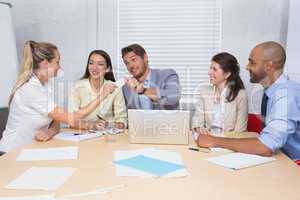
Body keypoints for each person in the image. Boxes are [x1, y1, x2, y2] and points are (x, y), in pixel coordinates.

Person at [0, 41, 115, 154]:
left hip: (31, 150)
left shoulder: (45, 85)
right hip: (11, 153)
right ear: (45, 63)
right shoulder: (30, 89)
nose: (59, 67)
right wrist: (102, 95)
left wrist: (50, 131)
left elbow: (56, 119)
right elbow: (70, 118)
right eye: (57, 62)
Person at [196, 41, 300, 161]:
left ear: (268, 66)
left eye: (252, 62)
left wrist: (215, 141)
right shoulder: (273, 91)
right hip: (281, 157)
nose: (247, 67)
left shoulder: (286, 96)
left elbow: (266, 146)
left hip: (293, 163)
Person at [192, 52, 248, 136]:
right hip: (209, 139)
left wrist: (221, 141)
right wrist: (199, 128)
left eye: (214, 69)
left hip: (230, 142)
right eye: (210, 68)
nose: (209, 72)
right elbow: (197, 120)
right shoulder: (204, 91)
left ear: (227, 74)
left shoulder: (240, 95)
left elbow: (240, 131)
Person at [68, 50, 127, 129]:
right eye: (91, 63)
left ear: (107, 69)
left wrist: (107, 125)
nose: (94, 68)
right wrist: (91, 125)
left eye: (100, 64)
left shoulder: (114, 88)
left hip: (106, 135)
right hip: (82, 135)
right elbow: (71, 120)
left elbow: (122, 122)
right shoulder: (77, 87)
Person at [121, 44, 181, 110]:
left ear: (145, 57)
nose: (131, 66)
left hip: (168, 120)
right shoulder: (126, 88)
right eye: (127, 63)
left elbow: (173, 97)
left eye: (133, 59)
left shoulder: (167, 74)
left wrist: (143, 90)